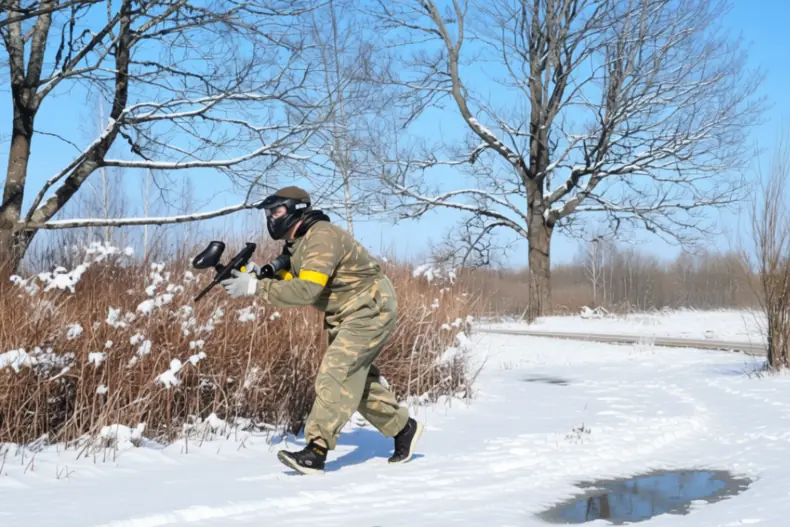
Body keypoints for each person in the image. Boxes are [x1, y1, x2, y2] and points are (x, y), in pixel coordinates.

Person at [219, 186, 424, 475]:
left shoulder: (322, 236)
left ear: (296, 209)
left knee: (336, 373)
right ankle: (403, 428)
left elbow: (308, 289)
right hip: (344, 312)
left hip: (369, 307)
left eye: (276, 211)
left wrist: (256, 287)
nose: (271, 218)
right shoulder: (300, 242)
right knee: (355, 381)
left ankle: (316, 450)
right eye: (268, 213)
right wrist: (260, 273)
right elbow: (297, 276)